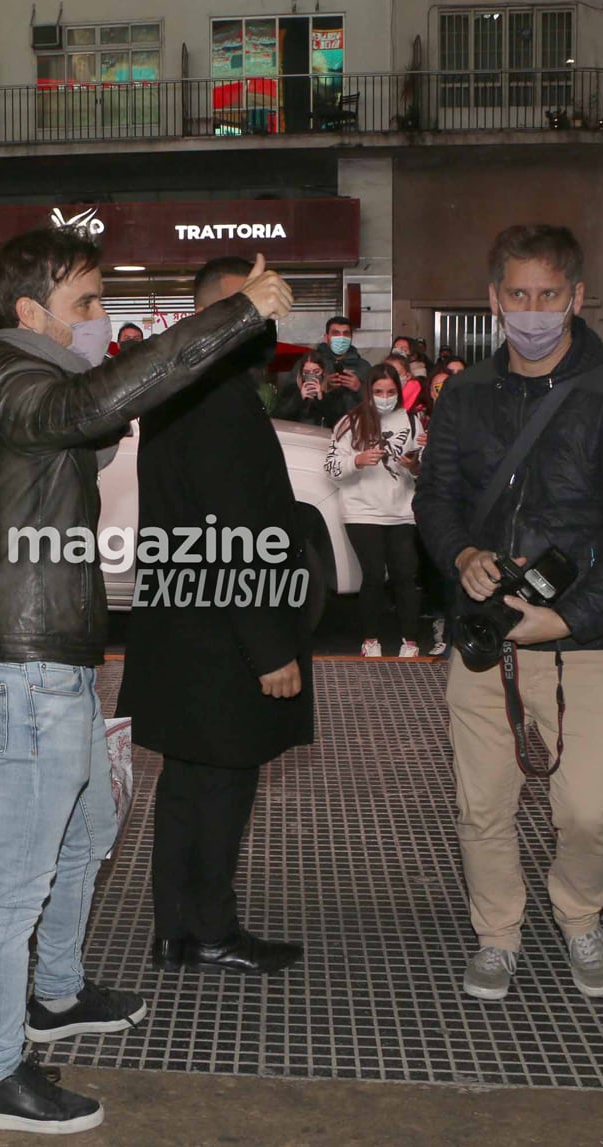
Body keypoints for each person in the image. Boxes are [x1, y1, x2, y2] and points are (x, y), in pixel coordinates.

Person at [0, 225, 290, 1134]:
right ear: (31, 313)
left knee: (91, 824)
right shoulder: (20, 379)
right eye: (87, 305)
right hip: (24, 673)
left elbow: (94, 420)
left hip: (50, 663)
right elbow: (99, 404)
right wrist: (231, 316)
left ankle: (56, 993)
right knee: (13, 883)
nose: (104, 322)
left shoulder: (27, 385)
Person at [414, 224, 603, 1004]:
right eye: (517, 295)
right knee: (482, 798)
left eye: (548, 296)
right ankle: (498, 933)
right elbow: (435, 498)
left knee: (590, 804)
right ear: (494, 301)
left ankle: (579, 913)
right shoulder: (464, 394)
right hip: (488, 629)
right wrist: (461, 554)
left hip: (589, 634)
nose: (533, 311)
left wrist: (567, 621)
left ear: (576, 298)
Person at [115, 255, 312, 983]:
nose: (265, 323)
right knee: (220, 790)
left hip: (183, 628)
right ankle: (210, 930)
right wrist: (268, 646)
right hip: (225, 637)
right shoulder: (219, 400)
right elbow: (232, 527)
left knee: (185, 786)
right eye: (254, 308)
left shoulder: (178, 392)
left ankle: (177, 932)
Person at [328, 362, 425, 658]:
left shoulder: (411, 420)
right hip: (362, 511)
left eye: (391, 391)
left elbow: (424, 469)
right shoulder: (350, 422)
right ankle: (371, 638)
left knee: (405, 575)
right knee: (372, 575)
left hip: (401, 511)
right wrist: (357, 461)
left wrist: (414, 465)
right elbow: (332, 468)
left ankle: (410, 639)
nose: (385, 396)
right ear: (369, 391)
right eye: (379, 391)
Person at [313, 315, 372, 384]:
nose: (341, 337)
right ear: (326, 338)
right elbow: (299, 391)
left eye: (346, 333)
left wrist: (358, 388)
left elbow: (373, 392)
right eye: (336, 333)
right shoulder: (311, 363)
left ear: (351, 337)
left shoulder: (363, 367)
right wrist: (323, 384)